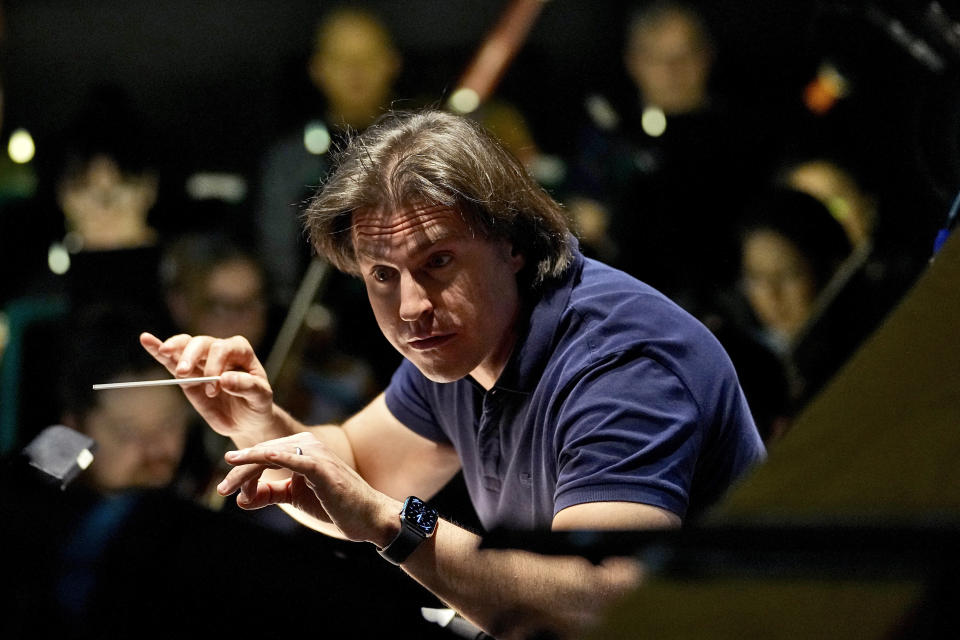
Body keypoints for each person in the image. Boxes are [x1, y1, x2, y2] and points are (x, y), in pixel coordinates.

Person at [139, 109, 765, 640]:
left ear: (513, 245)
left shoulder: (621, 362)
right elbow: (354, 468)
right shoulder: (463, 345)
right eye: (382, 274)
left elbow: (599, 599)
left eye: (437, 261)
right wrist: (258, 426)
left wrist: (394, 525)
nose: (412, 306)